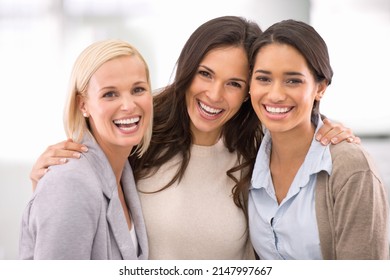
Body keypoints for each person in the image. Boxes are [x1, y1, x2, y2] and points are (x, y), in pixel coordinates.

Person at [28, 16, 359, 260]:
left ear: (248, 91)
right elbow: (83, 187)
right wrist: (45, 181)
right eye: (205, 74)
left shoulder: (256, 150)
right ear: (187, 70)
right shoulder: (141, 128)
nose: (214, 95)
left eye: (234, 83)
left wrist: (324, 124)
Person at [248, 19, 389, 260]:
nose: (275, 94)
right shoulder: (246, 153)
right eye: (263, 78)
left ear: (320, 88)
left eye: (293, 80)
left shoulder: (351, 169)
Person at [19, 39, 153, 259]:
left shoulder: (125, 173)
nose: (128, 105)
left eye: (138, 89)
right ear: (83, 105)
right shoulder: (70, 182)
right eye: (110, 94)